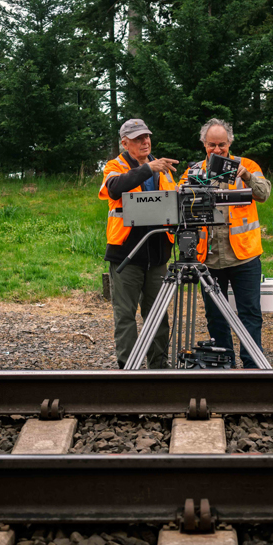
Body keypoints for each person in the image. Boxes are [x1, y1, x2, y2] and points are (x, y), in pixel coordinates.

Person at [180, 118, 271, 368]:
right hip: (208, 259)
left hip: (244, 257)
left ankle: (252, 366)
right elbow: (176, 204)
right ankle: (224, 366)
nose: (217, 150)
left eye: (222, 144)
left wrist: (248, 177)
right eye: (212, 145)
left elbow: (264, 193)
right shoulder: (193, 171)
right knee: (216, 318)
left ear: (230, 142)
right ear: (204, 144)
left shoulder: (247, 165)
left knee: (250, 313)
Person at [99, 118, 180, 369]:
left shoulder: (163, 168)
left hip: (157, 256)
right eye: (137, 139)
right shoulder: (115, 166)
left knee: (158, 316)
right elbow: (114, 188)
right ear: (124, 143)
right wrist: (148, 169)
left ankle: (159, 368)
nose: (145, 142)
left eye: (147, 137)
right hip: (126, 255)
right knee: (125, 316)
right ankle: (129, 371)